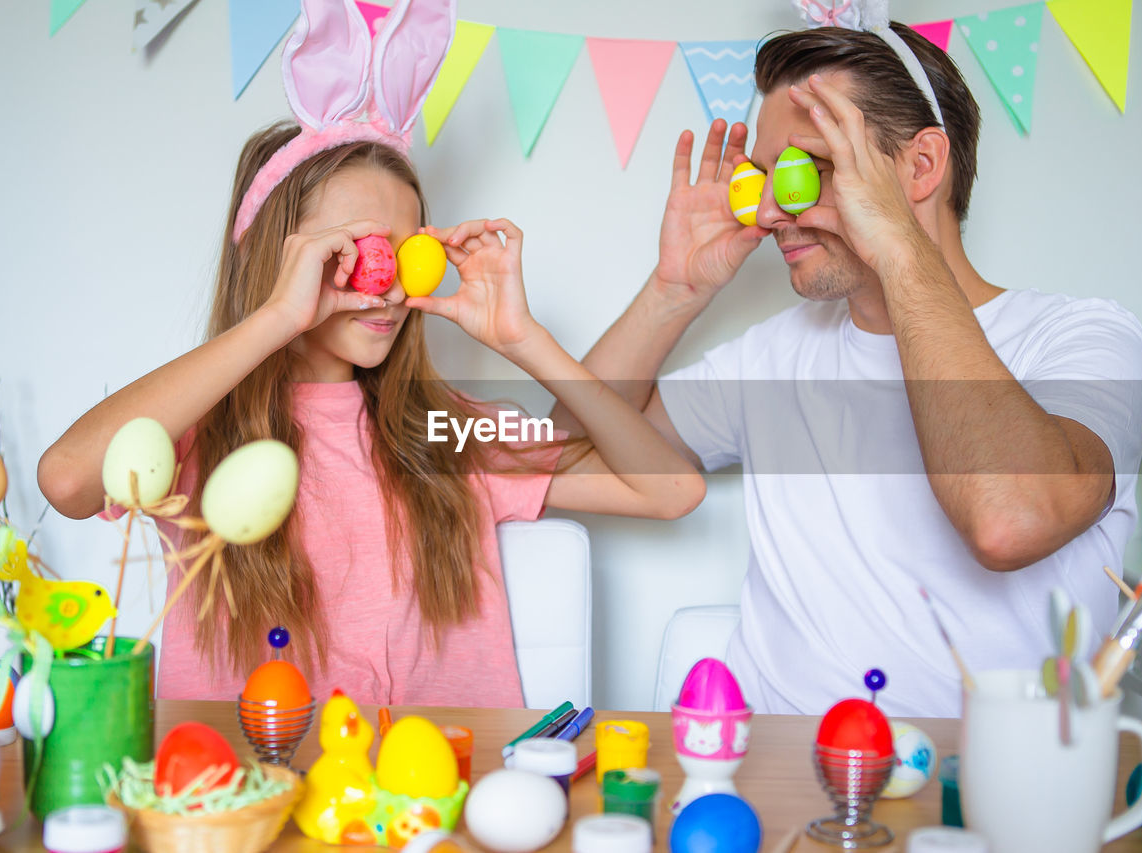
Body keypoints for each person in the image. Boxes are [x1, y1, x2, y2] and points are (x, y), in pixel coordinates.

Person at [36, 0, 704, 707]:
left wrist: (525, 340)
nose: (384, 284)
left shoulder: (444, 433)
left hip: (436, 800)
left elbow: (671, 489)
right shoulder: (202, 434)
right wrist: (276, 318)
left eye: (406, 251)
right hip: (250, 802)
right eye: (356, 250)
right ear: (281, 258)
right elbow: (67, 478)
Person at [551, 23, 1142, 716]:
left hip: (984, 786)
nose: (773, 211)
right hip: (774, 774)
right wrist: (672, 292)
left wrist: (897, 245)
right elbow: (560, 457)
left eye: (812, 169)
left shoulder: (1083, 339)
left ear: (922, 167)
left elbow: (1008, 519)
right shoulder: (772, 356)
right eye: (764, 181)